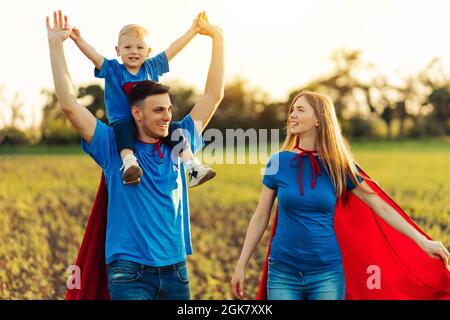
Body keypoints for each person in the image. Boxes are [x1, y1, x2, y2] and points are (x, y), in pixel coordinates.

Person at [46, 10, 224, 300]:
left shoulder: (179, 142)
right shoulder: (111, 145)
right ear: (136, 113)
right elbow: (69, 104)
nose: (168, 117)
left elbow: (213, 96)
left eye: (169, 109)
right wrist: (57, 45)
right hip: (129, 272)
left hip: (176, 270)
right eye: (159, 110)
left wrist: (217, 38)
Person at [231, 91, 450, 300]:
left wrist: (423, 241)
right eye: (292, 110)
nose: (292, 115)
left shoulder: (338, 166)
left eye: (300, 110)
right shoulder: (278, 162)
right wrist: (241, 265)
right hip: (282, 273)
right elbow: (260, 217)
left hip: (326, 274)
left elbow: (380, 206)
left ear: (319, 119)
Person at [66, 12, 215, 186]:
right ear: (118, 50)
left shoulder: (152, 66)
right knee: (123, 130)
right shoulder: (114, 70)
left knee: (174, 130)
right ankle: (129, 164)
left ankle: (193, 167)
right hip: (123, 120)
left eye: (139, 47)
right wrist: (78, 40)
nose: (134, 52)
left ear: (148, 51)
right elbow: (95, 57)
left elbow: (173, 49)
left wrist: (193, 30)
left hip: (149, 121)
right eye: (127, 47)